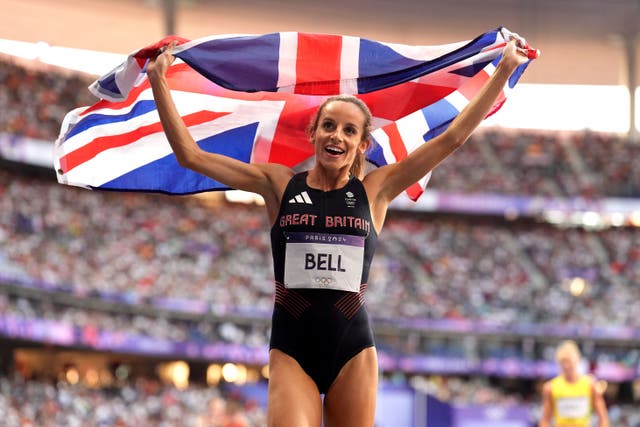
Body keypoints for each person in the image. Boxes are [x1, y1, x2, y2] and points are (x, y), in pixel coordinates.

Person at [147, 37, 529, 427]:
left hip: (353, 350)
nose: (337, 137)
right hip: (292, 349)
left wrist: (501, 71)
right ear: (313, 133)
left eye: (349, 131)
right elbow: (190, 156)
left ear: (362, 143)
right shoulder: (279, 184)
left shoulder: (376, 190)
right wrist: (159, 80)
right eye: (328, 126)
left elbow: (452, 138)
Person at [539, 340, 609, 427]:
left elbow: (603, 418)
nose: (566, 366)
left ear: (578, 360)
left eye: (569, 362)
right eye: (563, 362)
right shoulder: (551, 387)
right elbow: (545, 420)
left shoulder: (590, 385)